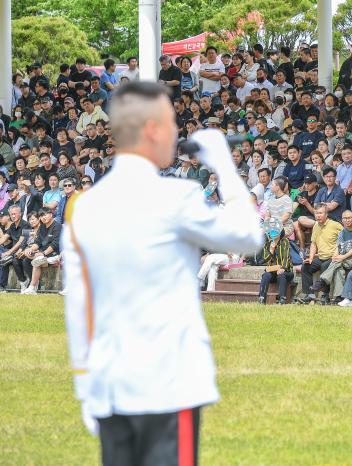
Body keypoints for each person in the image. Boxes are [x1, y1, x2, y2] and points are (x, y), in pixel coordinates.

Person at [62, 82, 263, 465]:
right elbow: (250, 235)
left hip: (109, 385)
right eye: (172, 122)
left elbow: (79, 304)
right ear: (153, 128)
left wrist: (85, 383)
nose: (176, 132)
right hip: (170, 382)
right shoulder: (176, 198)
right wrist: (224, 166)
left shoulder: (82, 207)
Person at [298, 204, 343, 303]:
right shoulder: (315, 226)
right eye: (316, 213)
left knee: (324, 266)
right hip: (321, 256)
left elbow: (343, 239)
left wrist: (339, 253)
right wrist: (310, 258)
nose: (318, 215)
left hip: (332, 257)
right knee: (305, 266)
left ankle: (325, 295)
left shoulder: (335, 225)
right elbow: (313, 244)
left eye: (321, 213)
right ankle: (309, 294)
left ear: (326, 214)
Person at [314, 210, 352, 303]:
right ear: (342, 220)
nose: (347, 220)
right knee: (338, 268)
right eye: (344, 218)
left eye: (349, 218)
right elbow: (338, 247)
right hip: (344, 258)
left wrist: (341, 257)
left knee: (337, 262)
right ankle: (339, 296)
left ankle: (322, 281)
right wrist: (335, 256)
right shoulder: (342, 232)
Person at [258, 224, 294, 305]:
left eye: (275, 231)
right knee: (266, 275)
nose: (273, 233)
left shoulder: (285, 242)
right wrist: (272, 248)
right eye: (271, 231)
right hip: (273, 271)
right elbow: (265, 259)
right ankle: (261, 298)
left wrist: (283, 268)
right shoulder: (268, 243)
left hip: (286, 271)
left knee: (281, 275)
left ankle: (282, 299)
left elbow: (285, 258)